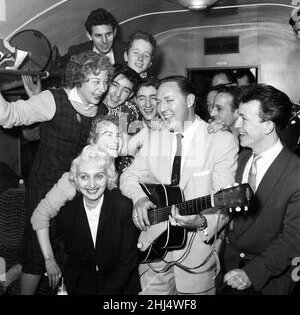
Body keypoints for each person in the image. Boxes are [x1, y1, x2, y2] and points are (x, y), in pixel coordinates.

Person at [0, 51, 113, 295]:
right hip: (43, 189)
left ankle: (11, 277)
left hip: (77, 192)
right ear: (78, 79)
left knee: (68, 254)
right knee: (35, 255)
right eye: (96, 81)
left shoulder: (102, 111)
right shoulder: (53, 100)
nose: (102, 88)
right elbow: (8, 116)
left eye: (105, 81)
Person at [119, 75, 239, 295]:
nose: (161, 108)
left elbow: (224, 200)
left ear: (191, 100)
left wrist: (202, 222)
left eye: (169, 100)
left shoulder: (222, 141)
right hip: (153, 250)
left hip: (197, 257)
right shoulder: (154, 136)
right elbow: (128, 176)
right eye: (158, 101)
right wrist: (139, 198)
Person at [217, 84, 300, 295]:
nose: (237, 124)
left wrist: (251, 274)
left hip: (268, 280)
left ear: (268, 126)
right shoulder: (241, 159)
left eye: (244, 118)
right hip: (229, 270)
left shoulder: (295, 173)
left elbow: (293, 240)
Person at [36, 145, 139, 295]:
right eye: (84, 177)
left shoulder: (123, 206)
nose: (91, 185)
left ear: (108, 177)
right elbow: (70, 259)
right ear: (76, 179)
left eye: (98, 176)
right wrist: (50, 261)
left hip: (120, 287)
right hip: (82, 285)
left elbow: (127, 261)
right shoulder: (67, 213)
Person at [57, 8, 126, 70]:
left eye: (108, 34)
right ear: (89, 36)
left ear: (114, 32)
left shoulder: (127, 50)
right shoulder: (76, 53)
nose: (104, 41)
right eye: (98, 36)